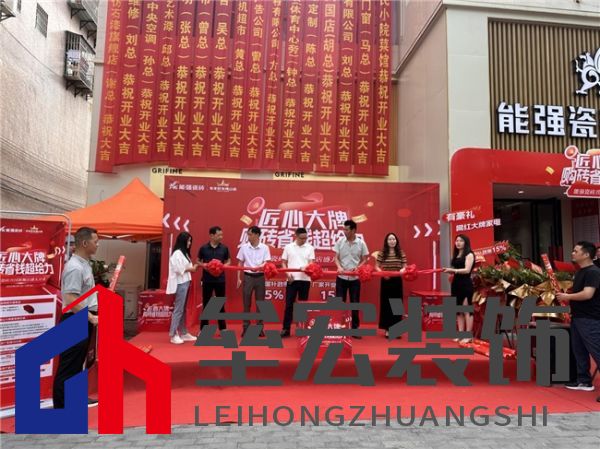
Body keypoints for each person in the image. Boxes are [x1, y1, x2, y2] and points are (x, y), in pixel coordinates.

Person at [53, 227, 99, 408]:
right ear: (85, 243)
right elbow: (71, 298)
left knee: (78, 363)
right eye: (95, 241)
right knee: (69, 366)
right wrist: (90, 317)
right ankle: (62, 408)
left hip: (82, 319)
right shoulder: (74, 267)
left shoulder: (84, 264)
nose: (97, 245)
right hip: (74, 320)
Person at [556, 241, 600, 397]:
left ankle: (584, 380)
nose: (573, 253)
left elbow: (588, 294)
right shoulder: (581, 271)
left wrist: (567, 297)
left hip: (590, 318)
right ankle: (584, 381)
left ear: (586, 254)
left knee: (596, 350)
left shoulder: (593, 272)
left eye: (576, 251)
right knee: (579, 350)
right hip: (578, 316)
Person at [334, 219, 369, 337]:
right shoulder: (340, 242)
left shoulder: (361, 243)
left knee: (355, 303)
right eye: (344, 229)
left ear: (353, 230)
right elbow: (336, 258)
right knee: (339, 303)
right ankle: (339, 327)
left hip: (355, 278)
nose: (344, 231)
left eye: (347, 229)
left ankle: (355, 328)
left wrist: (358, 268)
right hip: (341, 277)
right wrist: (339, 267)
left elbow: (365, 259)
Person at [237, 226, 271, 337]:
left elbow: (267, 262)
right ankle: (245, 328)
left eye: (250, 234)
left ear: (257, 235)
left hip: (260, 276)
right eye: (248, 234)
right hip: (248, 277)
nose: (248, 236)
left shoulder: (265, 248)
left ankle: (260, 328)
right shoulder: (244, 247)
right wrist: (238, 278)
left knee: (260, 304)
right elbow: (240, 263)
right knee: (246, 304)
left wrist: (259, 267)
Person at [280, 227, 315, 337]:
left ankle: (301, 328)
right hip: (292, 280)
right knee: (289, 305)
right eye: (302, 238)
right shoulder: (288, 247)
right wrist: (287, 274)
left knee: (302, 306)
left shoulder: (310, 248)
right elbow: (283, 262)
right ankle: (286, 329)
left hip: (305, 279)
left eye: (305, 238)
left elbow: (312, 263)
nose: (304, 240)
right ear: (296, 236)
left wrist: (306, 267)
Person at [166, 232, 199, 344]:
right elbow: (178, 269)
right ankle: (173, 334)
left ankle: (183, 332)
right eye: (188, 241)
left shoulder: (184, 253)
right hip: (180, 283)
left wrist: (194, 267)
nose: (190, 243)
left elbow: (187, 267)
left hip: (185, 282)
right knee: (178, 309)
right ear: (183, 241)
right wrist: (192, 268)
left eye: (190, 241)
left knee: (183, 309)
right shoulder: (177, 253)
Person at [443, 234, 475, 344]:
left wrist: (453, 271)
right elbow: (455, 269)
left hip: (465, 284)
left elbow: (467, 270)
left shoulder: (470, 254)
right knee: (458, 311)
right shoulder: (456, 254)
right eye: (456, 241)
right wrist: (450, 271)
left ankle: (468, 336)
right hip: (456, 284)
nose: (458, 243)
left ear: (466, 242)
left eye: (461, 241)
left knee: (466, 310)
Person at [197, 226, 230, 332]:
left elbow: (228, 261)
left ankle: (223, 328)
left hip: (220, 280)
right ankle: (203, 329)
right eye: (219, 235)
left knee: (220, 304)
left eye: (222, 235)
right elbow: (197, 261)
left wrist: (222, 266)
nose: (221, 237)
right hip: (207, 280)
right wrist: (204, 265)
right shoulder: (203, 248)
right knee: (206, 304)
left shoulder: (224, 248)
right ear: (211, 235)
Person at [375, 232, 407, 338]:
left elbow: (405, 266)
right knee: (387, 305)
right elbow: (376, 266)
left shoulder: (401, 253)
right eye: (390, 239)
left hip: (397, 280)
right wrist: (382, 273)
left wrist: (402, 270)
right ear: (386, 241)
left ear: (396, 241)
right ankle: (387, 329)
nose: (392, 241)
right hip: (386, 280)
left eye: (393, 239)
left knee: (397, 305)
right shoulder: (382, 253)